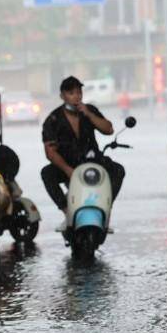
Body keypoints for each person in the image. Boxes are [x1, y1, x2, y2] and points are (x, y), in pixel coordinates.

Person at [41, 76, 125, 231]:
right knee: (47, 173)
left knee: (118, 170)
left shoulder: (90, 110)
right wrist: (68, 170)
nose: (77, 96)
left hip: (93, 161)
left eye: (79, 92)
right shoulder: (53, 119)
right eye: (71, 93)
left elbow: (108, 129)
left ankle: (106, 207)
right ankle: (67, 211)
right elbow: (50, 152)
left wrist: (89, 114)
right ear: (63, 96)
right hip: (69, 164)